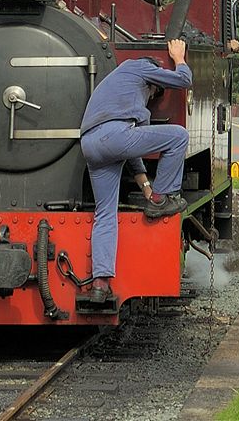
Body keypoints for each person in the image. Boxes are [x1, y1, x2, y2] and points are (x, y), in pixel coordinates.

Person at [79, 38, 192, 304]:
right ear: (152, 79)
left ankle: (100, 282)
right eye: (153, 92)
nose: (151, 97)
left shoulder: (118, 90)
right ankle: (163, 198)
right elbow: (184, 81)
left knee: (105, 213)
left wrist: (145, 185)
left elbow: (130, 149)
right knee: (178, 137)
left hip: (91, 144)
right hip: (114, 136)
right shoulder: (138, 66)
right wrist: (179, 58)